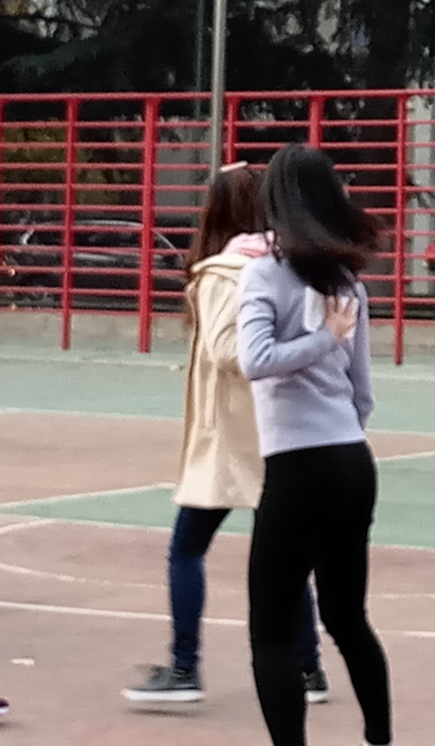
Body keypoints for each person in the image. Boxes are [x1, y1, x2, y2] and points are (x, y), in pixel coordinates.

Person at [221, 143, 403, 746]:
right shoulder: (346, 282)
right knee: (347, 615)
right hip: (352, 459)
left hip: (300, 464)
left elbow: (255, 359)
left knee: (270, 628)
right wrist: (340, 417)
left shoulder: (263, 276)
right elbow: (363, 391)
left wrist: (321, 342)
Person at [128, 163, 314, 710]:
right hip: (276, 426)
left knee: (185, 548)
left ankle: (185, 666)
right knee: (286, 551)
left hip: (228, 430)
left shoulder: (223, 273)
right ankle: (309, 666)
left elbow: (229, 351)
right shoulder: (286, 264)